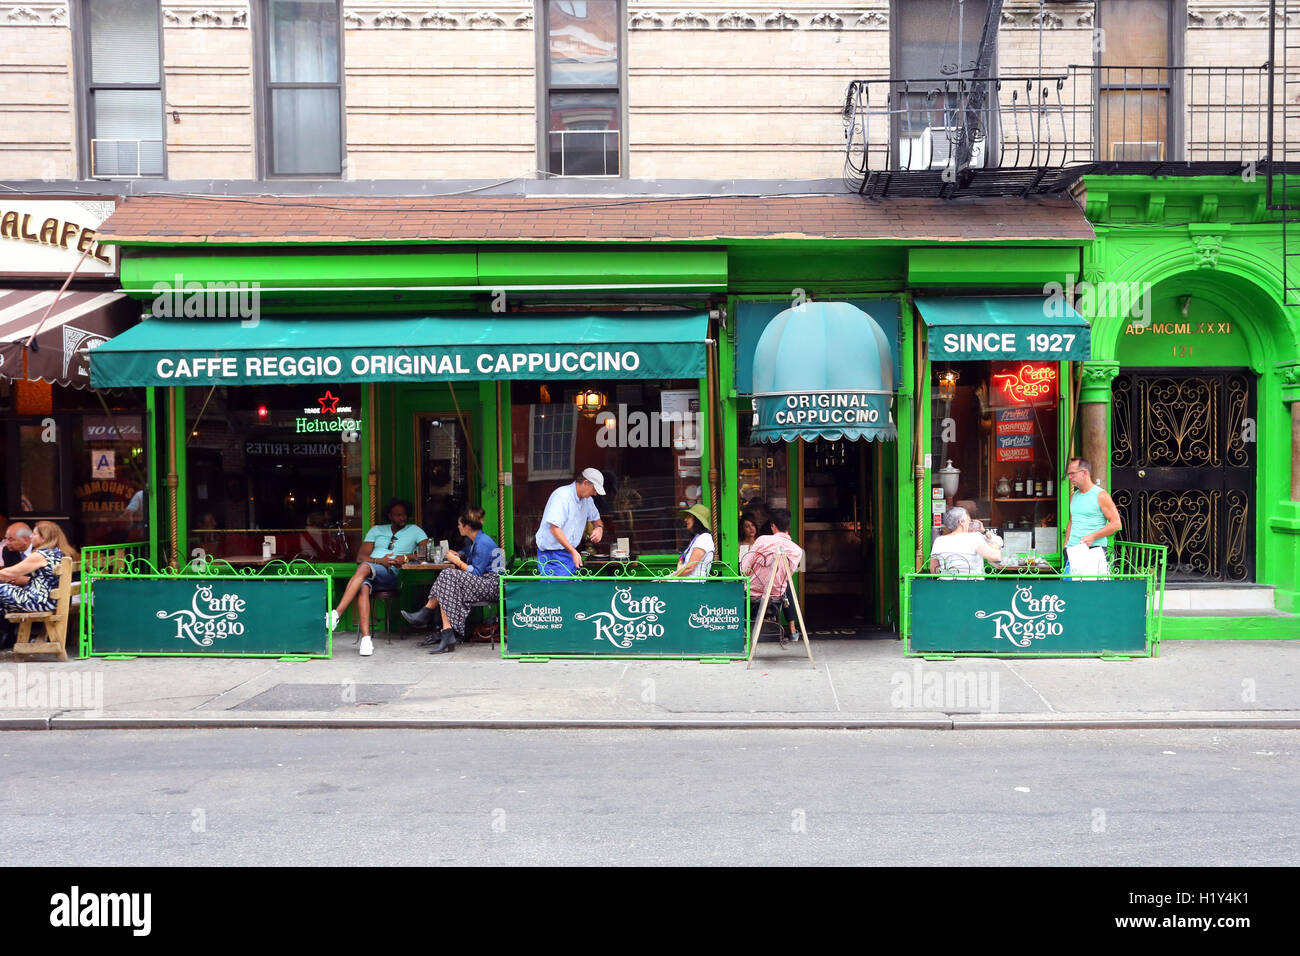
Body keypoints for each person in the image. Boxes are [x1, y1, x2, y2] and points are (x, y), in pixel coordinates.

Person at [325, 499, 428, 657]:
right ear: (389, 516)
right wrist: (379, 561)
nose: (402, 518)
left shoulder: (415, 530)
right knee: (363, 585)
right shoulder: (376, 530)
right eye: (398, 515)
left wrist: (405, 558)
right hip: (370, 572)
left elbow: (427, 551)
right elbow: (361, 557)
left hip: (390, 575)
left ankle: (337, 614)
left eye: (404, 515)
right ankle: (366, 641)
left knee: (364, 568)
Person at [402, 506, 500, 654]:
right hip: (482, 583)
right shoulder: (472, 541)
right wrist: (459, 554)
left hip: (491, 585)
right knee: (447, 583)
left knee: (448, 575)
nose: (458, 527)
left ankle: (426, 612)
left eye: (460, 524)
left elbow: (477, 573)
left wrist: (457, 561)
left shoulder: (484, 542)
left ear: (467, 526)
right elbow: (467, 553)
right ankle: (446, 632)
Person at [0, 521, 78, 650]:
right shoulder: (60, 552)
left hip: (40, 601)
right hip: (54, 601)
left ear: (44, 538)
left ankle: (6, 636)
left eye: (34, 534)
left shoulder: (41, 555)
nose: (30, 537)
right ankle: (6, 635)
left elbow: (9, 572)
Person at [739, 508, 804, 646]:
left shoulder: (762, 541)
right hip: (776, 601)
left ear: (773, 526)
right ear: (788, 526)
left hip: (751, 597)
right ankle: (791, 629)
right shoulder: (797, 551)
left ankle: (744, 629)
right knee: (786, 585)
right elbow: (787, 575)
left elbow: (744, 569)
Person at [535, 468, 605, 576]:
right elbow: (554, 529)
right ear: (585, 483)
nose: (595, 494)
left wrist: (599, 528)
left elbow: (597, 520)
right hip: (552, 554)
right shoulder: (562, 496)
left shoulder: (587, 500)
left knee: (570, 590)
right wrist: (573, 551)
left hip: (570, 553)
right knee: (559, 590)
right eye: (594, 490)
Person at [1062, 457, 1122, 575]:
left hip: (1094, 550)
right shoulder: (1074, 496)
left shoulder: (1101, 495)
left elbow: (1116, 523)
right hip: (1072, 550)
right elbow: (1072, 520)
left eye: (1072, 474)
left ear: (1085, 473)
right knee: (1071, 590)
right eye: (1069, 474)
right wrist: (1066, 543)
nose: (1069, 477)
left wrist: (1093, 536)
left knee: (1093, 591)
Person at [929, 506, 1002, 578]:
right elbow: (996, 557)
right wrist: (994, 542)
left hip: (947, 586)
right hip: (972, 586)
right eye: (969, 521)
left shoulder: (939, 541)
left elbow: (934, 570)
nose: (970, 523)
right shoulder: (973, 538)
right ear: (961, 522)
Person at [670, 504, 715, 578]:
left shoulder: (704, 538)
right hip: (686, 583)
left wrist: (669, 578)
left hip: (692, 585)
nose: (685, 520)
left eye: (689, 516)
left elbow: (689, 568)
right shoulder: (698, 537)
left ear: (697, 520)